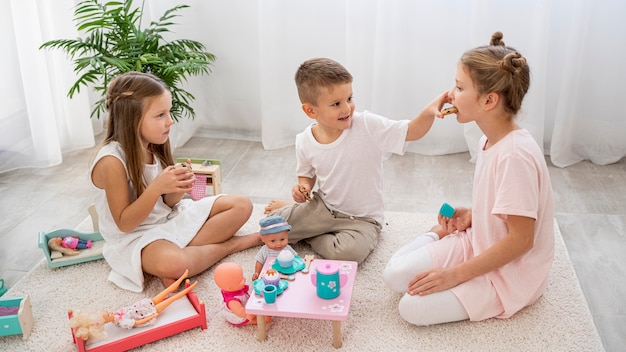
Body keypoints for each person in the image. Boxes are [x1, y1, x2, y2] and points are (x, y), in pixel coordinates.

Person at [382, 31, 555, 326]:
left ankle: (458, 267)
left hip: (510, 272)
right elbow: (506, 208)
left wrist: (454, 275)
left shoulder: (515, 155)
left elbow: (522, 240)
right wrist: (476, 215)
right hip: (479, 242)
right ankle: (440, 234)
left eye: (459, 87)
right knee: (394, 276)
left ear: (489, 100)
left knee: (411, 308)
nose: (450, 94)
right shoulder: (490, 141)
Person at [264, 58, 449, 264]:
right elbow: (306, 175)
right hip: (323, 208)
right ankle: (304, 219)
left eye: (349, 98)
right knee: (270, 227)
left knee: (348, 254)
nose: (347, 109)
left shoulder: (367, 125)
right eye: (336, 104)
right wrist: (303, 187)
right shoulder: (304, 140)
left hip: (363, 220)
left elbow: (411, 132)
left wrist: (429, 112)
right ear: (310, 110)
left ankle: (311, 233)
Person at [90, 71, 261, 292]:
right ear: (132, 119)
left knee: (242, 204)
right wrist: (156, 187)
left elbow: (167, 205)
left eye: (168, 112)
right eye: (160, 115)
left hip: (168, 220)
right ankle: (232, 245)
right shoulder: (111, 161)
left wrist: (178, 188)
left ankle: (184, 253)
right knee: (175, 263)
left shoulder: (154, 144)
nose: (170, 121)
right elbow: (124, 223)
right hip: (135, 237)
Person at [69, 269, 198, 341]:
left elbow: (128, 308)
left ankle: (182, 278)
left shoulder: (115, 315)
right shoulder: (120, 322)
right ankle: (189, 289)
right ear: (106, 321)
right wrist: (152, 317)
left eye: (107, 312)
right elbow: (136, 323)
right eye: (107, 315)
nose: (110, 313)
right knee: (171, 299)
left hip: (143, 305)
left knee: (165, 292)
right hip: (148, 313)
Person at [252, 215, 298, 280]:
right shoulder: (264, 250)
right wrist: (257, 272)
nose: (278, 244)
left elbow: (296, 258)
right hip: (269, 275)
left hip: (286, 274)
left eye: (282, 239)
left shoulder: (287, 249)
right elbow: (259, 261)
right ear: (263, 239)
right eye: (273, 241)